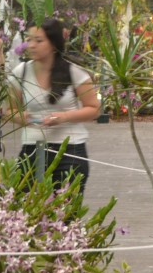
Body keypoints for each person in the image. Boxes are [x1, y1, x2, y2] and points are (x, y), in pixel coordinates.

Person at [8, 18, 100, 195]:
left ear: (53, 43)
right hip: (32, 149)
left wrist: (63, 117)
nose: (32, 45)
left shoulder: (73, 70)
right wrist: (23, 117)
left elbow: (94, 108)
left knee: (65, 215)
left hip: (70, 149)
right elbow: (9, 110)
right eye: (29, 40)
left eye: (39, 40)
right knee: (28, 212)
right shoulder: (21, 72)